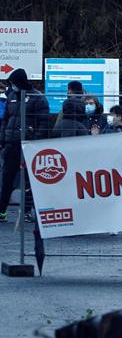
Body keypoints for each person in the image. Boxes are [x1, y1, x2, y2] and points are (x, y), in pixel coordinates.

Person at [0, 68, 50, 222]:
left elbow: (44, 123)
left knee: (30, 180)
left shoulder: (38, 98)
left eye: (14, 83)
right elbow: (6, 119)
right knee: (7, 178)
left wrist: (36, 137)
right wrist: (3, 137)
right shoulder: (12, 97)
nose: (12, 86)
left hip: (29, 145)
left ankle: (28, 210)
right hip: (12, 143)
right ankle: (2, 210)